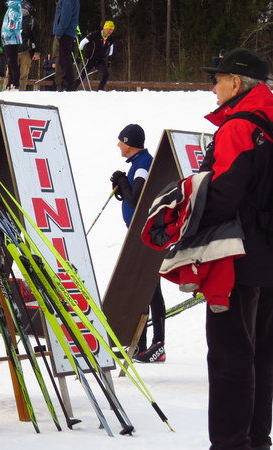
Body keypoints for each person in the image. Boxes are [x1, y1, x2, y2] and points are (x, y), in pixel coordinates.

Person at [199, 48, 273, 449]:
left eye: (217, 80)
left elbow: (222, 195)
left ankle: (231, 443)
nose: (214, 88)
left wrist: (185, 214)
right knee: (261, 353)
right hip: (268, 256)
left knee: (230, 356)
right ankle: (257, 440)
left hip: (237, 257)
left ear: (236, 83)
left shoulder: (239, 127)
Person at [109, 124, 166, 363]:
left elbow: (137, 199)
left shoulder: (142, 164)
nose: (118, 145)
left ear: (129, 143)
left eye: (121, 141)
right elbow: (131, 195)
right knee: (141, 287)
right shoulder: (137, 163)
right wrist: (121, 183)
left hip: (145, 235)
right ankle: (139, 344)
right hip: (138, 234)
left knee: (151, 288)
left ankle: (158, 345)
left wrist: (123, 182)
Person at [75, 20, 116, 91]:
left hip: (100, 59)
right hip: (91, 58)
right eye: (109, 29)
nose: (110, 31)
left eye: (112, 30)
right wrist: (79, 55)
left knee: (106, 74)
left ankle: (100, 90)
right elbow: (82, 42)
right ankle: (72, 88)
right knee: (82, 75)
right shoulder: (95, 34)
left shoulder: (110, 38)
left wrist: (109, 60)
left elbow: (111, 49)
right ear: (104, 28)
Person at [52, 0, 79, 91]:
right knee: (63, 58)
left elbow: (65, 17)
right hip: (67, 32)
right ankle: (66, 83)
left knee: (64, 59)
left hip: (65, 32)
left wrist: (59, 32)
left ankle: (68, 83)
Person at [17, 1, 40, 91]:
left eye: (24, 9)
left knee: (24, 73)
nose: (22, 10)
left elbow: (37, 38)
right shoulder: (14, 19)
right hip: (14, 49)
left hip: (26, 50)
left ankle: (21, 90)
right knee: (9, 72)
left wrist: (37, 52)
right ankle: (8, 89)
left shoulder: (32, 21)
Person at [0, 0, 22, 90]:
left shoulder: (14, 7)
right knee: (10, 62)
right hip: (9, 39)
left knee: (12, 61)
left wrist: (7, 34)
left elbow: (13, 24)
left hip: (12, 39)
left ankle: (15, 83)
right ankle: (11, 82)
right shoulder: (11, 7)